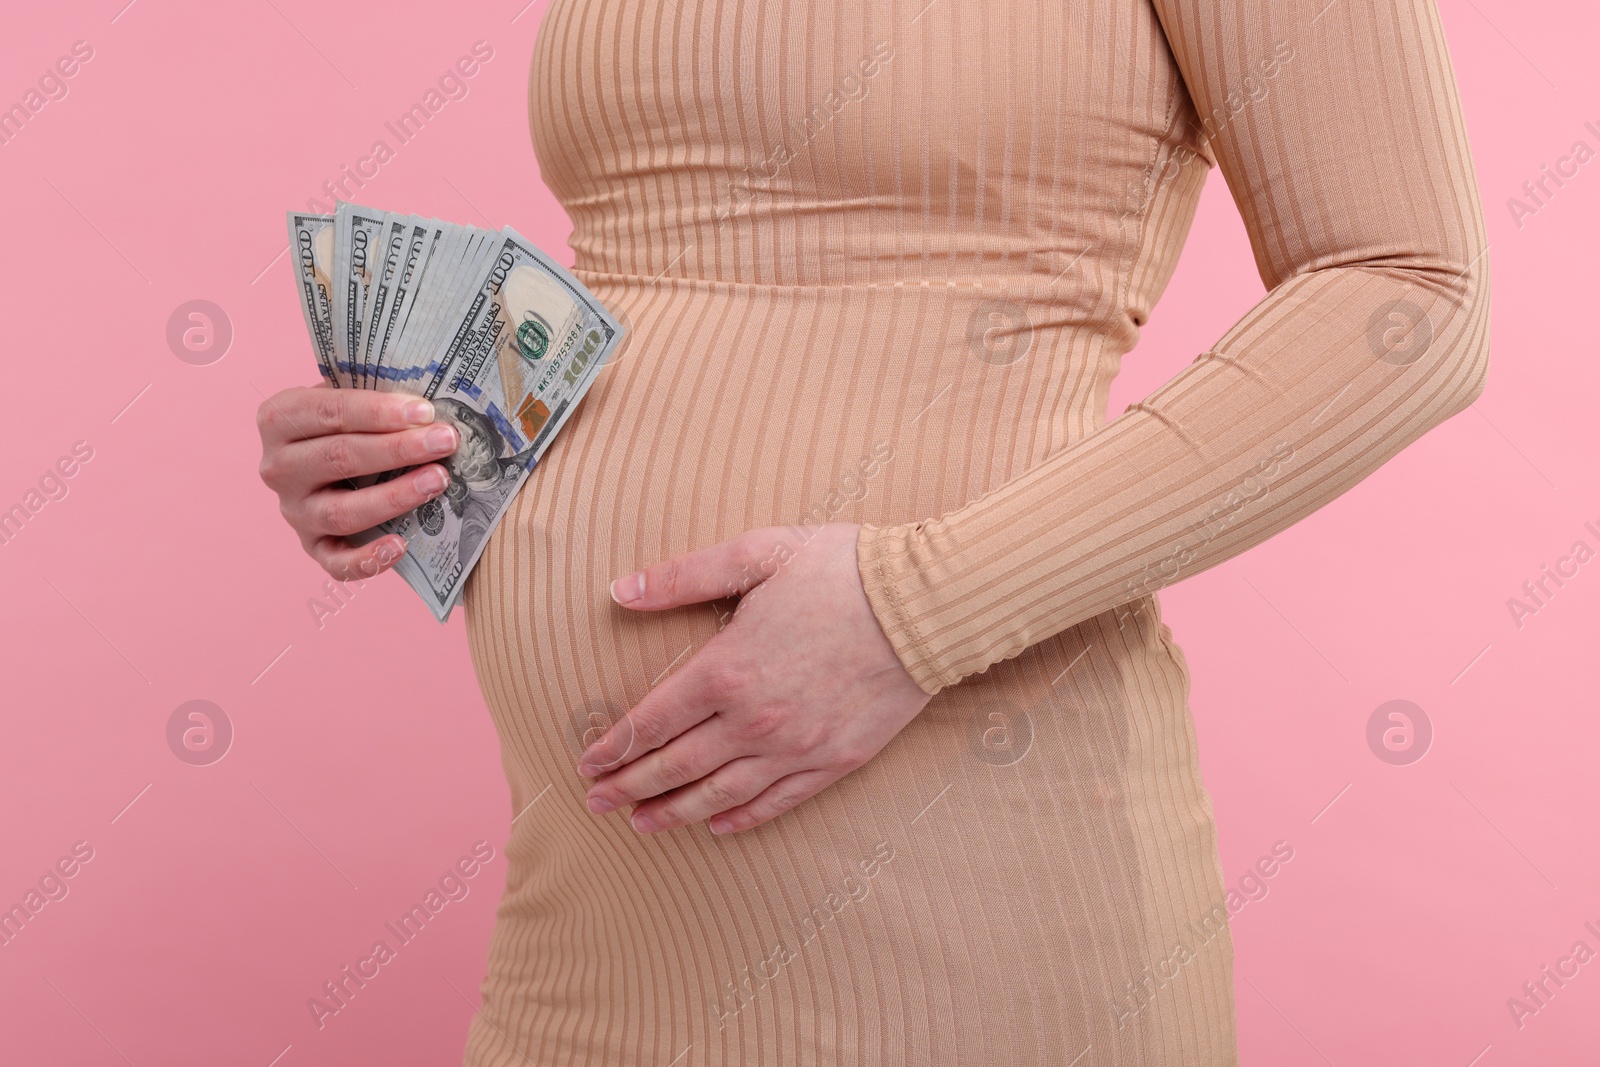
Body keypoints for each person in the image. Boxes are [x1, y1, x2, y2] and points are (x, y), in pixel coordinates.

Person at [256, 0, 1490, 1063]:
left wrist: (916, 606)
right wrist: (414, 447)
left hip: (956, 872)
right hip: (586, 904)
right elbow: (665, 274)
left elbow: (1408, 289)